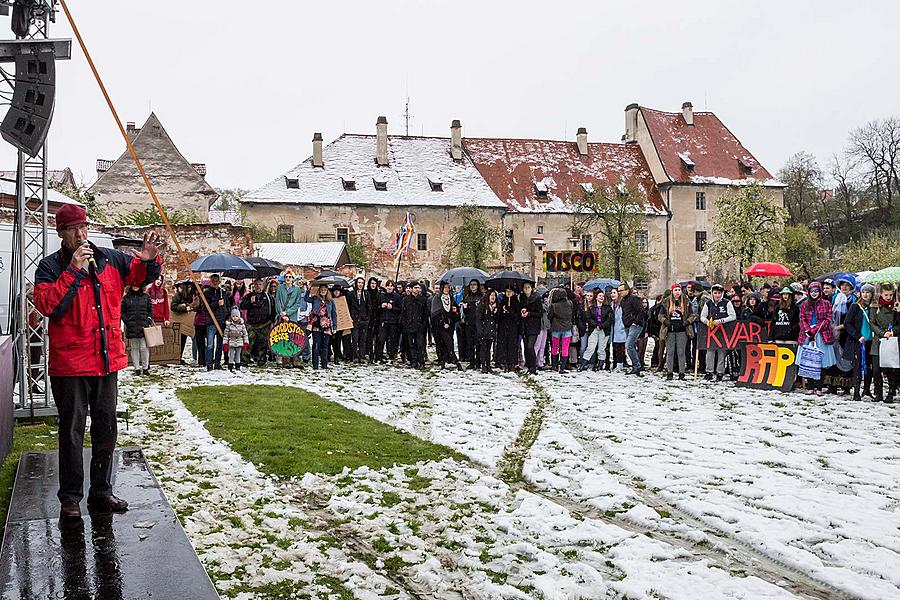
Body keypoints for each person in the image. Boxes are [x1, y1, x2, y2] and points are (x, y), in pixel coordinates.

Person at [34, 203, 162, 519]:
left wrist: (148, 259)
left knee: (106, 429)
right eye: (73, 229)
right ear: (61, 233)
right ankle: (71, 498)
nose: (80, 235)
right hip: (70, 366)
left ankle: (101, 491)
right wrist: (73, 271)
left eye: (83, 228)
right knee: (72, 432)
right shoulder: (49, 268)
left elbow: (139, 276)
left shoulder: (109, 258)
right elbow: (50, 307)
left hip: (106, 360)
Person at [798, 281, 836, 396]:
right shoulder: (805, 304)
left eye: (816, 291)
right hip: (807, 334)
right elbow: (802, 318)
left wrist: (815, 330)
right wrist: (807, 330)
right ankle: (810, 386)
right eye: (812, 291)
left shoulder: (826, 303)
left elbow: (828, 319)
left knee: (821, 362)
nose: (814, 293)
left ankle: (819, 387)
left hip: (822, 334)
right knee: (808, 361)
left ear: (820, 292)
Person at [843, 284, 875, 401]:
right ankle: (856, 391)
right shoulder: (855, 307)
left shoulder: (874, 307)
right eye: (864, 292)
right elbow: (847, 323)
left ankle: (867, 389)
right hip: (858, 341)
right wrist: (858, 336)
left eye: (868, 292)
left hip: (871, 341)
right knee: (857, 366)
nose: (866, 295)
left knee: (869, 367)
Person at [700, 283, 736, 381]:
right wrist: (707, 322)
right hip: (712, 331)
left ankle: (720, 372)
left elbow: (733, 316)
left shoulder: (727, 303)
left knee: (722, 352)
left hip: (724, 330)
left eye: (719, 293)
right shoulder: (708, 303)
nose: (717, 295)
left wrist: (721, 321)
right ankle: (709, 371)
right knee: (710, 351)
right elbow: (702, 316)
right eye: (715, 293)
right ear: (712, 293)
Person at [870, 283, 899, 403]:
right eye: (886, 295)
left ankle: (891, 392)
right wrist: (882, 333)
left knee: (891, 369)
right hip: (878, 341)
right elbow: (872, 323)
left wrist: (893, 331)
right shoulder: (875, 307)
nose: (888, 297)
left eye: (891, 295)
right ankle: (878, 393)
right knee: (876, 369)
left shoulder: (896, 306)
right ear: (881, 294)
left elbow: (898, 323)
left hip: (892, 340)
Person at [240, 278, 275, 366]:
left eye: (259, 284)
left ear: (263, 286)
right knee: (248, 344)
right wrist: (250, 302)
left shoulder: (268, 296)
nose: (258, 286)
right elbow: (242, 306)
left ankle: (261, 361)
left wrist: (272, 320)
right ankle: (244, 361)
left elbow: (273, 308)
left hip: (264, 324)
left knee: (263, 344)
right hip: (252, 324)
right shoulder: (248, 296)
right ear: (253, 286)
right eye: (256, 285)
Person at [275, 271, 307, 366]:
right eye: (286, 277)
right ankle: (286, 361)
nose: (288, 278)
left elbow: (297, 303)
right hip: (282, 316)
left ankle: (295, 359)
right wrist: (282, 313)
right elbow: (278, 301)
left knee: (293, 338)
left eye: (290, 277)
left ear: (293, 279)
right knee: (284, 338)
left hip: (292, 317)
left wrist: (287, 313)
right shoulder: (280, 288)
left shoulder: (296, 289)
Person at [121, 284, 154, 376]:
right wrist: (127, 321)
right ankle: (137, 368)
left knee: (144, 347)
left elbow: (150, 310)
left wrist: (148, 320)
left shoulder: (146, 296)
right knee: (134, 348)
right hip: (131, 326)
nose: (135, 286)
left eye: (137, 284)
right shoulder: (126, 298)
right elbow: (122, 312)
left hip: (144, 325)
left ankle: (145, 367)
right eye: (133, 284)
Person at [661, 283, 690, 380]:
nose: (677, 292)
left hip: (682, 330)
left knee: (681, 352)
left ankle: (681, 373)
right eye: (675, 290)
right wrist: (665, 321)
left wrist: (687, 322)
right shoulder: (666, 302)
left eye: (679, 290)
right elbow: (660, 315)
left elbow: (693, 315)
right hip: (669, 330)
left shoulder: (686, 301)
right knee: (670, 352)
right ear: (672, 291)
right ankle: (669, 373)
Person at [431, 282, 462, 370]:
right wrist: (443, 322)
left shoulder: (451, 298)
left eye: (448, 288)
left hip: (450, 325)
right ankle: (456, 361)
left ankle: (444, 362)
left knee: (447, 343)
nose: (447, 289)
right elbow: (435, 313)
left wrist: (455, 311)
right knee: (447, 342)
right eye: (445, 288)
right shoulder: (437, 298)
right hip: (440, 326)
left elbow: (456, 313)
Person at [203, 274, 230, 371]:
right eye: (213, 280)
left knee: (220, 344)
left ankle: (217, 363)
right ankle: (209, 364)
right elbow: (205, 308)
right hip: (211, 322)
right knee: (210, 344)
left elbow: (227, 306)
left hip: (222, 322)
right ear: (211, 281)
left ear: (219, 281)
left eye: (216, 280)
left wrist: (227, 316)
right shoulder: (206, 294)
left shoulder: (223, 293)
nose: (215, 282)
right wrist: (216, 304)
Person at [578, 289, 611, 372]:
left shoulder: (607, 308)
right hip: (594, 329)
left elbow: (610, 319)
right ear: (596, 297)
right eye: (600, 296)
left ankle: (600, 365)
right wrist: (596, 325)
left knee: (601, 349)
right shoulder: (591, 308)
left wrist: (602, 326)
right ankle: (582, 364)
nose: (602, 297)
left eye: (603, 296)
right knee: (590, 347)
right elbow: (589, 318)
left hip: (604, 330)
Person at [399, 282, 429, 368]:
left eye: (418, 288)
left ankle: (421, 361)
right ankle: (413, 361)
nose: (417, 289)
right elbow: (403, 313)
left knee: (420, 344)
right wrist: (405, 324)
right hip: (409, 326)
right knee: (411, 345)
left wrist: (423, 324)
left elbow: (425, 314)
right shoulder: (406, 300)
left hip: (419, 326)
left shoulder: (423, 299)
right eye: (415, 287)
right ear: (411, 289)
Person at [309, 283, 337, 369]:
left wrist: (335, 326)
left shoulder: (331, 301)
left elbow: (334, 314)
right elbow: (306, 298)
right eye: (322, 289)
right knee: (316, 345)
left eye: (325, 289)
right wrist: (308, 288)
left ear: (327, 291)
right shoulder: (315, 299)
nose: (323, 291)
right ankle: (315, 365)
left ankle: (324, 365)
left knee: (325, 346)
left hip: (327, 326)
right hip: (316, 324)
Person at [620, 283, 646, 376]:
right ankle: (636, 366)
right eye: (619, 291)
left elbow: (641, 311)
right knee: (631, 346)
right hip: (627, 325)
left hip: (635, 325)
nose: (620, 292)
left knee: (629, 345)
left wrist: (635, 321)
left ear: (627, 290)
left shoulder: (634, 299)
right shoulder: (623, 301)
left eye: (621, 290)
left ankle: (637, 365)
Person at [547, 287, 573, 374]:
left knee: (555, 347)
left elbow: (549, 316)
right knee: (565, 348)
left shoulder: (554, 306)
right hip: (567, 328)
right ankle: (562, 368)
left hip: (556, 328)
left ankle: (554, 366)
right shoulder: (570, 303)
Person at [375, 280, 402, 362]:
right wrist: (381, 306)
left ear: (393, 287)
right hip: (383, 321)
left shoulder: (397, 297)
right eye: (388, 286)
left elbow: (400, 309)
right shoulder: (381, 296)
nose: (389, 287)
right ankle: (379, 357)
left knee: (392, 340)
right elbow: (376, 308)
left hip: (393, 322)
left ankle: (391, 356)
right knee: (381, 339)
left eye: (391, 286)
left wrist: (392, 308)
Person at [520, 282, 543, 375]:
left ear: (531, 288)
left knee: (530, 346)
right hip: (525, 325)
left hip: (533, 325)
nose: (526, 289)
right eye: (525, 287)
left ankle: (533, 367)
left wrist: (529, 313)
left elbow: (540, 313)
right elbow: (521, 308)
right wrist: (523, 310)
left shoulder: (536, 298)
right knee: (526, 347)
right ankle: (529, 366)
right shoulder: (522, 298)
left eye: (528, 287)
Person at [170, 280, 195, 363]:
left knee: (184, 340)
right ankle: (177, 357)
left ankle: (179, 357)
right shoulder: (178, 295)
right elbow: (173, 307)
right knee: (179, 340)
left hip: (188, 321)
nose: (190, 289)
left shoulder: (191, 295)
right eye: (189, 287)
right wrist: (184, 308)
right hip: (179, 320)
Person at [497, 286, 521, 372]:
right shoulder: (502, 301)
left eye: (510, 291)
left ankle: (512, 363)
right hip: (503, 326)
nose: (508, 293)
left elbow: (517, 316)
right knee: (504, 344)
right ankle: (504, 362)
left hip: (513, 327)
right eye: (507, 291)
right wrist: (503, 312)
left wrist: (510, 311)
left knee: (512, 345)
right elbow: (499, 316)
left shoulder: (516, 302)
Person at [347, 277, 371, 363]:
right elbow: (348, 307)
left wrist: (367, 318)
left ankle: (362, 355)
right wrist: (350, 318)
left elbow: (369, 307)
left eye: (362, 283)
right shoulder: (351, 294)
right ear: (356, 283)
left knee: (363, 339)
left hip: (364, 319)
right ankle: (355, 356)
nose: (360, 284)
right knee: (355, 338)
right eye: (359, 282)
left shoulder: (366, 294)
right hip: (354, 319)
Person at [461, 280, 484, 370]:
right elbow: (465, 313)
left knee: (478, 343)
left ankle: (478, 361)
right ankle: (472, 361)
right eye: (471, 285)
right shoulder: (467, 297)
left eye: (474, 285)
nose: (472, 286)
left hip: (478, 323)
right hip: (469, 323)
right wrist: (465, 308)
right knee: (470, 343)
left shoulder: (481, 297)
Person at [476, 289, 500, 374]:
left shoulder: (496, 306)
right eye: (491, 295)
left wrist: (495, 312)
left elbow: (497, 319)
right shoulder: (482, 305)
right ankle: (483, 365)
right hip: (484, 330)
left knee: (489, 348)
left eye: (494, 296)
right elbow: (478, 319)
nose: (493, 297)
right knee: (483, 348)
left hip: (491, 330)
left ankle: (488, 365)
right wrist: (480, 330)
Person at [223, 307, 250, 372]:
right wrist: (225, 344)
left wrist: (246, 342)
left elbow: (245, 334)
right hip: (231, 342)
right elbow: (226, 335)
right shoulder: (229, 325)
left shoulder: (242, 325)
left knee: (238, 355)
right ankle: (230, 366)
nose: (235, 318)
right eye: (233, 316)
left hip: (239, 342)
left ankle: (238, 366)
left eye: (236, 316)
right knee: (231, 355)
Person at [648, 293, 667, 370]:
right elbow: (651, 321)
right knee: (658, 347)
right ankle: (656, 362)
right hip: (657, 330)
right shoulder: (654, 309)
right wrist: (653, 332)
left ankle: (661, 362)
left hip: (663, 329)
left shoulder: (663, 307)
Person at [610, 287, 626, 371]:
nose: (612, 294)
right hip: (614, 329)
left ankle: (620, 364)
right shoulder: (612, 304)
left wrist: (623, 326)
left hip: (621, 328)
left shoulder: (622, 304)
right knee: (615, 346)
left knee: (620, 347)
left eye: (614, 293)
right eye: (611, 293)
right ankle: (615, 363)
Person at [366, 277, 381, 361]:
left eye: (374, 283)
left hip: (377, 317)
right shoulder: (366, 293)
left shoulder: (378, 294)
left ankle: (376, 354)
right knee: (369, 337)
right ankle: (369, 353)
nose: (373, 285)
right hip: (369, 317)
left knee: (377, 337)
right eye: (372, 283)